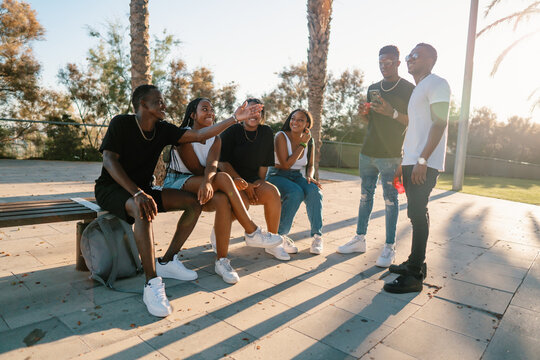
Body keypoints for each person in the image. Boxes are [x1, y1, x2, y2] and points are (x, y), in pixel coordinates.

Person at [95, 84, 264, 317]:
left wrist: (235, 118)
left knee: (193, 204)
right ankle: (152, 284)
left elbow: (200, 135)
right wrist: (136, 193)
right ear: (143, 104)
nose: (164, 105)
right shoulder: (121, 123)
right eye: (158, 101)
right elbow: (109, 161)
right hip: (113, 189)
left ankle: (166, 261)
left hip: (143, 189)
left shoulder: (163, 129)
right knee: (142, 209)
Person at [163, 97, 282, 284]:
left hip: (204, 181)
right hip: (179, 181)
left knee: (223, 201)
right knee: (225, 178)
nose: (210, 112)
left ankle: (222, 260)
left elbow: (211, 165)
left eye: (212, 109)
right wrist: (214, 181)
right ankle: (252, 231)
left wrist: (210, 181)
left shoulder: (215, 139)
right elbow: (195, 169)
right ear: (193, 115)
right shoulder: (183, 135)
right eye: (205, 109)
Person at [337, 45, 414, 268]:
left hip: (391, 154)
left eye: (389, 63)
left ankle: (389, 246)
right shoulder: (372, 87)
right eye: (381, 63)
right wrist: (364, 115)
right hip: (367, 152)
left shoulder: (408, 89)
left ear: (398, 63)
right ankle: (359, 239)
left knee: (390, 200)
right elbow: (371, 121)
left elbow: (414, 121)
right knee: (364, 196)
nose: (384, 67)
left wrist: (392, 112)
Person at [384, 43, 450, 293]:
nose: (410, 58)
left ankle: (413, 276)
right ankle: (416, 264)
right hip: (413, 161)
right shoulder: (419, 89)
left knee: (417, 212)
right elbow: (414, 130)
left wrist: (422, 160)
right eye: (409, 55)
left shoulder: (437, 83)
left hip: (425, 162)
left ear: (431, 59)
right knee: (415, 213)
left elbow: (440, 122)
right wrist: (405, 162)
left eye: (416, 55)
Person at [218, 98, 288, 260]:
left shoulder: (266, 132)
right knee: (244, 204)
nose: (254, 114)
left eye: (258, 111)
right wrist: (242, 183)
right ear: (243, 113)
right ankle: (218, 234)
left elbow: (264, 163)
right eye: (250, 110)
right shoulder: (232, 130)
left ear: (262, 114)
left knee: (272, 193)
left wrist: (259, 182)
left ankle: (272, 241)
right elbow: (222, 162)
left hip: (253, 180)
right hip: (231, 180)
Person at [266, 109, 324, 255]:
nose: (295, 122)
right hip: (277, 175)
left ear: (307, 124)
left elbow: (310, 165)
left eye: (300, 120)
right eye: (293, 118)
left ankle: (317, 236)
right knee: (295, 192)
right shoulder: (281, 136)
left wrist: (310, 176)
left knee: (314, 191)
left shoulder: (309, 140)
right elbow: (286, 164)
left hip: (297, 176)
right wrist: (302, 144)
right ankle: (279, 236)